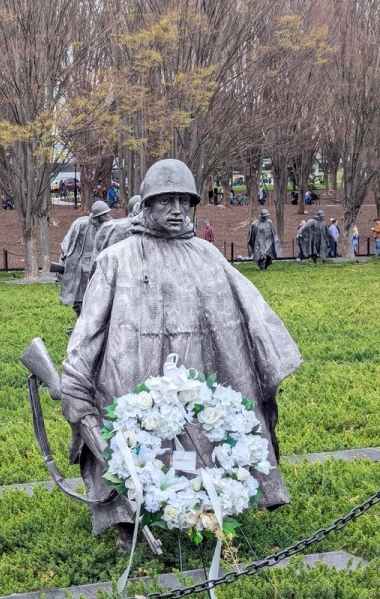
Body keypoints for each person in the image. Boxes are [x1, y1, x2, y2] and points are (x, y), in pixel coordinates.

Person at [60, 159, 302, 545]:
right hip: (130, 371)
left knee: (200, 435)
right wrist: (75, 382)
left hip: (195, 370)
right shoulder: (116, 259)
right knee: (130, 436)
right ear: (148, 205)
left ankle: (205, 509)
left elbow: (246, 316)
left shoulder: (207, 256)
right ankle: (129, 519)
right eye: (165, 201)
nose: (176, 211)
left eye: (183, 202)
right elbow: (89, 330)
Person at [58, 200, 111, 314]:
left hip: (97, 266)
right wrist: (62, 262)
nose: (108, 217)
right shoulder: (81, 224)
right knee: (79, 298)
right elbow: (67, 243)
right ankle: (80, 322)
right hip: (80, 266)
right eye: (104, 215)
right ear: (97, 217)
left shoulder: (108, 226)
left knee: (97, 298)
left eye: (108, 214)